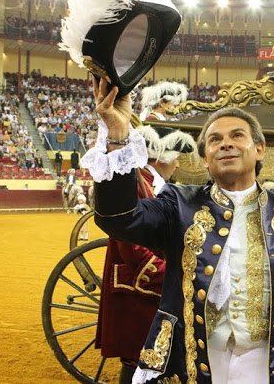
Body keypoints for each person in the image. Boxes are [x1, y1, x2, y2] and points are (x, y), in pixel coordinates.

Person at [85, 78, 274, 384]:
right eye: (215, 139)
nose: (226, 144)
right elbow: (119, 218)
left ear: (259, 149)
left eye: (237, 136)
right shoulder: (177, 204)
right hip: (192, 366)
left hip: (267, 369)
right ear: (205, 159)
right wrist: (117, 134)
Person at [96, 122, 198, 384]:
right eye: (176, 158)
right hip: (140, 285)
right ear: (164, 158)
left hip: (152, 281)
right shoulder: (137, 184)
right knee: (139, 355)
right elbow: (132, 244)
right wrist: (174, 274)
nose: (178, 164)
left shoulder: (152, 183)